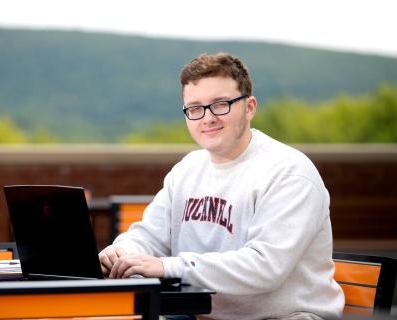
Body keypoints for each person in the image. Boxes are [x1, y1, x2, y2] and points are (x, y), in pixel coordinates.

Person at [99, 52, 345, 320]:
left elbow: (265, 267)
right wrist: (120, 254)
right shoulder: (187, 170)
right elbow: (150, 237)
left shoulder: (289, 173)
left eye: (220, 104)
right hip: (199, 314)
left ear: (249, 107)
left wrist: (168, 267)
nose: (207, 118)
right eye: (195, 108)